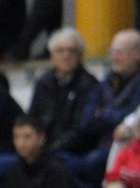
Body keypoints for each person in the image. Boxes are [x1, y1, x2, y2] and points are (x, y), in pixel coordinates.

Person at [68, 29, 140, 188]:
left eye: (120, 52)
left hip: (127, 145)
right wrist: (107, 116)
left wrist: (102, 114)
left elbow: (132, 115)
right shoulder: (109, 78)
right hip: (99, 142)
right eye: (112, 52)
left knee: (93, 162)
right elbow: (86, 119)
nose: (114, 57)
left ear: (138, 53)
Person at [28, 28, 99, 158]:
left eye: (71, 51)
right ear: (52, 55)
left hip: (73, 151)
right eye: (60, 51)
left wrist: (49, 150)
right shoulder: (44, 82)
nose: (66, 56)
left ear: (81, 56)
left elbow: (82, 130)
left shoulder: (89, 84)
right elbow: (32, 118)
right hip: (41, 148)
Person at [0, 115, 71, 188]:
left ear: (41, 138)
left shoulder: (55, 169)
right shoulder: (14, 168)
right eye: (16, 137)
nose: (20, 143)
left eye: (27, 137)